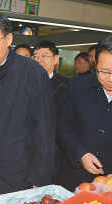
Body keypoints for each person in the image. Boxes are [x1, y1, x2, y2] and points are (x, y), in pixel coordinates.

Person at [0, 11, 56, 197]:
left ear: (8, 39)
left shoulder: (32, 73)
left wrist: (40, 177)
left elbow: (45, 129)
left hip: (21, 173)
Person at [56, 35, 112, 192]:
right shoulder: (77, 86)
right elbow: (63, 124)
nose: (111, 79)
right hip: (74, 174)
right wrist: (81, 154)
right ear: (95, 64)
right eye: (103, 71)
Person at [32, 40, 69, 183]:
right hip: (29, 153)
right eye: (35, 56)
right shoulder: (24, 84)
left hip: (55, 153)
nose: (38, 60)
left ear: (55, 59)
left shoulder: (67, 86)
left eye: (44, 56)